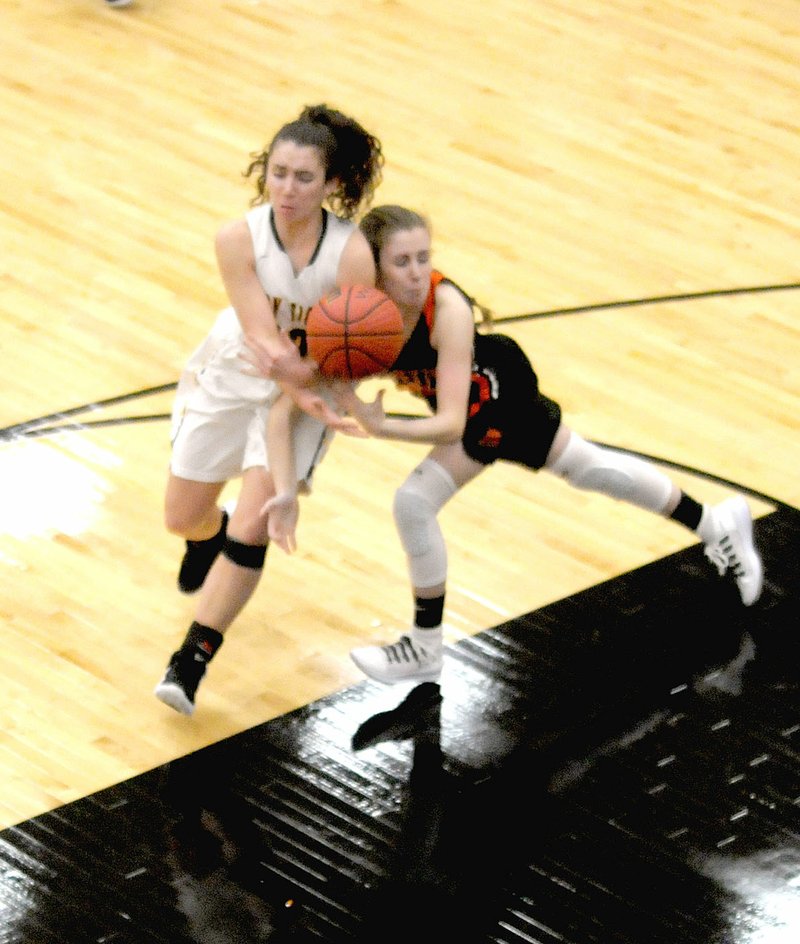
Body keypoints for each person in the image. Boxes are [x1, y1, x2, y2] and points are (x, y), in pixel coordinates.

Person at [253, 204, 764, 685]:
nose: (415, 271)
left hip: (496, 389)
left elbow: (452, 424)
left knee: (414, 502)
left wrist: (376, 424)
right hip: (471, 400)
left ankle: (425, 647)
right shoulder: (356, 315)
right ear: (374, 267)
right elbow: (287, 408)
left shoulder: (446, 307)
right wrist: (284, 489)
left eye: (424, 257)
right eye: (401, 261)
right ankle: (716, 523)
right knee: (586, 467)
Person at [154, 104, 384, 715]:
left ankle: (191, 658)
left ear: (332, 184)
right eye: (277, 173)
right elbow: (261, 335)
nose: (286, 188)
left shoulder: (352, 254)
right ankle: (206, 539)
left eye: (303, 178)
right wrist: (299, 377)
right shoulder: (237, 238)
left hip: (307, 384)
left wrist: (310, 393)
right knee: (183, 515)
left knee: (253, 522)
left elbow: (339, 349)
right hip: (238, 370)